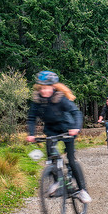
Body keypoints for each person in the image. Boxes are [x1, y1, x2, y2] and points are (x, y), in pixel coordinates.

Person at [26, 71, 91, 203]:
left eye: (47, 87)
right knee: (51, 158)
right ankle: (56, 182)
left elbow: (76, 113)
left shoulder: (60, 99)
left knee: (71, 160)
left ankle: (82, 190)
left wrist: (76, 128)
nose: (44, 91)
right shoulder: (37, 101)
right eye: (42, 88)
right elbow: (31, 118)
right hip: (51, 131)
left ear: (53, 87)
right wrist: (31, 134)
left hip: (67, 129)